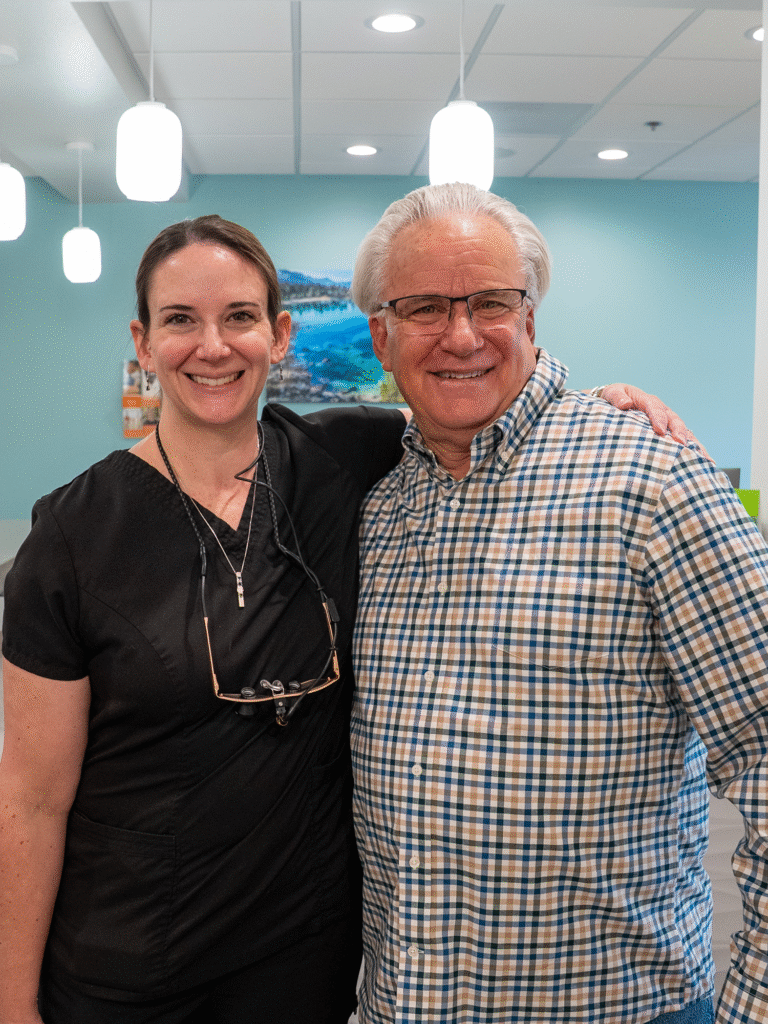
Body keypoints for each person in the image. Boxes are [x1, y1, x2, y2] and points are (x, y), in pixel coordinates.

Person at [0, 212, 689, 1024]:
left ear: (279, 335)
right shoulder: (73, 534)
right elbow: (31, 799)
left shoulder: (342, 459)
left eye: (240, 317)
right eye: (180, 320)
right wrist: (12, 1003)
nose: (212, 347)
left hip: (301, 963)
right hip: (129, 962)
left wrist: (595, 408)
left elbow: (474, 402)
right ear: (143, 343)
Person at [349, 183, 768, 1024]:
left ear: (531, 319)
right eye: (425, 307)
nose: (461, 335)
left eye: (491, 302)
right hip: (403, 1003)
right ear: (382, 336)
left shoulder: (652, 479)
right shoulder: (376, 507)